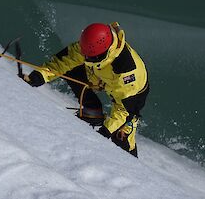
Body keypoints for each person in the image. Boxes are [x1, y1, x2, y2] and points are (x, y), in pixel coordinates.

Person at [21, 22, 149, 157]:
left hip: (132, 94)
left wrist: (105, 131)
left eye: (89, 56)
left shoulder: (125, 73)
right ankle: (93, 111)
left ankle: (132, 168)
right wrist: (39, 76)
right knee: (69, 67)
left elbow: (122, 111)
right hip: (101, 74)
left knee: (121, 135)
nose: (84, 56)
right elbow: (64, 61)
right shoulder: (93, 45)